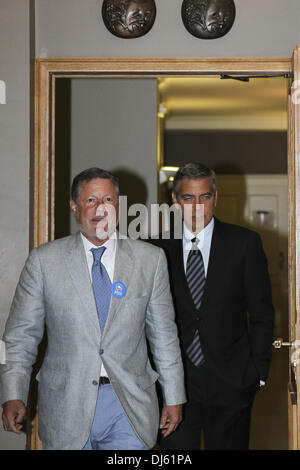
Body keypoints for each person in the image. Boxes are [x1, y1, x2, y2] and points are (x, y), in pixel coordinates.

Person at [0, 167, 186, 450]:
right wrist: (13, 393)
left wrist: (174, 396)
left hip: (129, 405)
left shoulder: (151, 260)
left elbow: (164, 335)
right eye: (91, 201)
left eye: (109, 200)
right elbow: (20, 337)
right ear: (75, 208)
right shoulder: (44, 262)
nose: (101, 208)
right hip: (66, 406)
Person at [149, 163, 274, 450]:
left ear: (215, 198)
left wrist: (258, 374)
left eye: (204, 197)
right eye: (189, 198)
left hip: (232, 382)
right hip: (174, 386)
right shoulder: (155, 249)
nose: (197, 206)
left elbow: (262, 314)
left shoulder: (244, 244)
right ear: (175, 200)